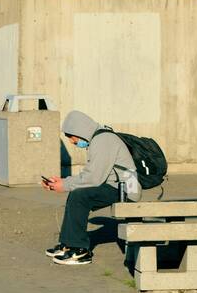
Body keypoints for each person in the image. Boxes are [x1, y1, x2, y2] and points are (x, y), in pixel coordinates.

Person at [43, 110, 141, 265]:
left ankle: (80, 250)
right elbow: (90, 175)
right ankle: (68, 244)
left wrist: (65, 185)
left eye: (71, 137)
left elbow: (93, 178)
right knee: (77, 193)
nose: (72, 142)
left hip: (127, 189)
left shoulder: (103, 140)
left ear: (80, 130)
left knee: (80, 196)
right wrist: (63, 181)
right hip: (116, 185)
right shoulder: (98, 139)